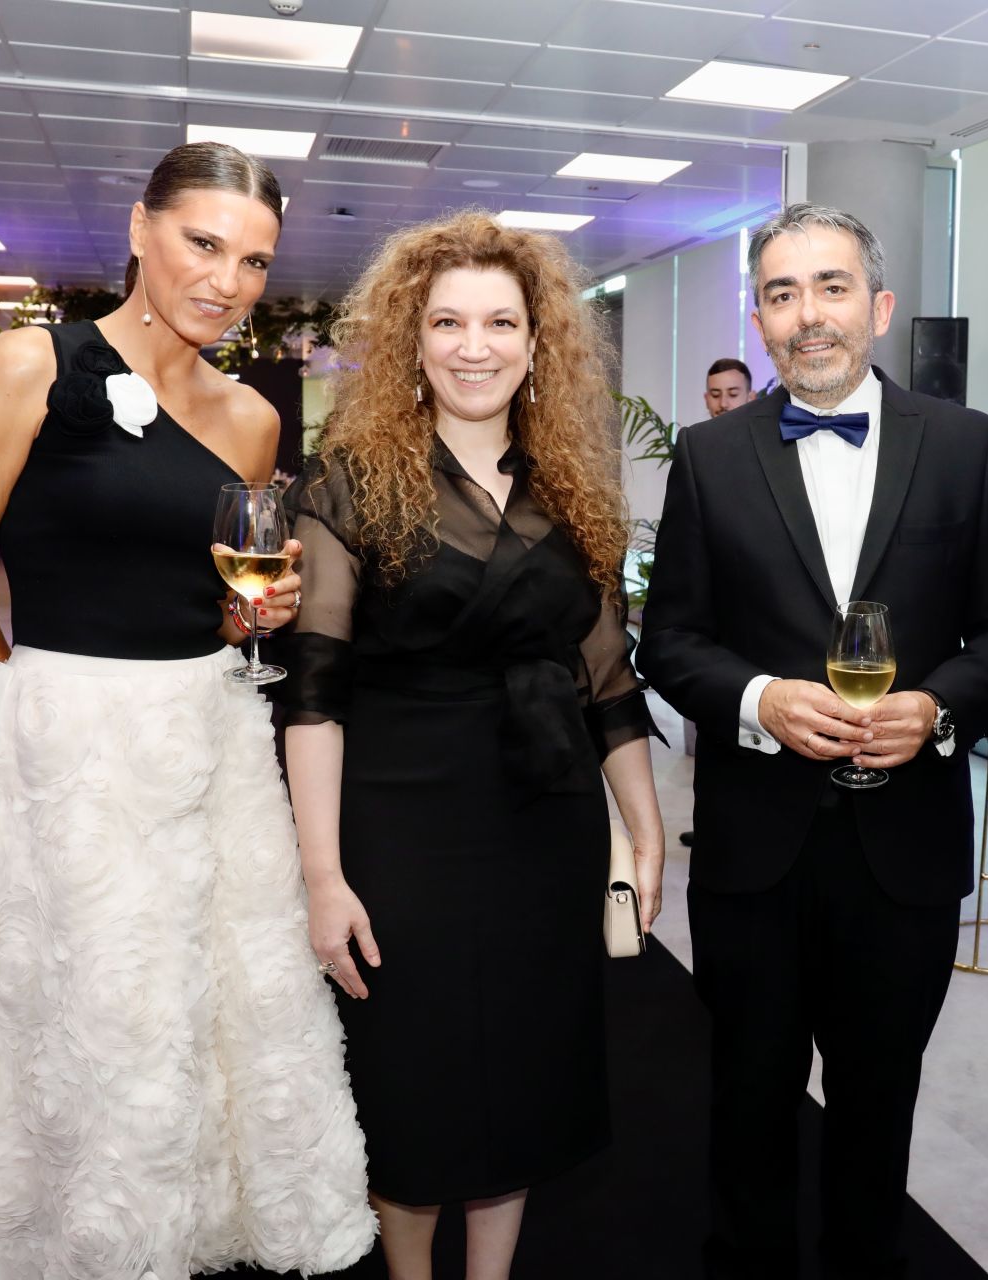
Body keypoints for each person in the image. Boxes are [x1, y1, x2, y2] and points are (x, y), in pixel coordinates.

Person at [0, 142, 374, 1278]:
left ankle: (193, 1233)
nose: (228, 280)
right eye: (205, 244)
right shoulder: (30, 364)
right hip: (71, 748)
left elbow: (219, 602)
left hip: (210, 744)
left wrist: (256, 615)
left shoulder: (252, 419)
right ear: (142, 228)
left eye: (254, 260)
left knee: (209, 1016)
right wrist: (30, 723)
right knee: (84, 1021)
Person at [639, 203, 988, 1279]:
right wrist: (761, 697)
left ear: (877, 304)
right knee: (749, 1097)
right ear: (761, 316)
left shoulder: (966, 445)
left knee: (880, 1102)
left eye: (828, 287)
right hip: (753, 848)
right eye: (781, 293)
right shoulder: (710, 454)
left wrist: (941, 707)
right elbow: (669, 639)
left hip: (902, 849)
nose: (806, 315)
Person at [278, 210, 666, 1280]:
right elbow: (313, 693)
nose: (474, 344)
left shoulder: (573, 488)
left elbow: (607, 675)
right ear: (413, 338)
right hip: (402, 822)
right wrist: (322, 874)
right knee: (415, 1081)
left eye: (501, 320)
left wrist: (643, 824)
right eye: (447, 320)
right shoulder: (345, 483)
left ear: (539, 343)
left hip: (545, 821)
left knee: (524, 1082)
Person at [678, 355, 757, 851]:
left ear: (750, 394)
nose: (723, 402)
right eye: (715, 394)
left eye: (733, 393)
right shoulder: (695, 453)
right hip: (714, 644)